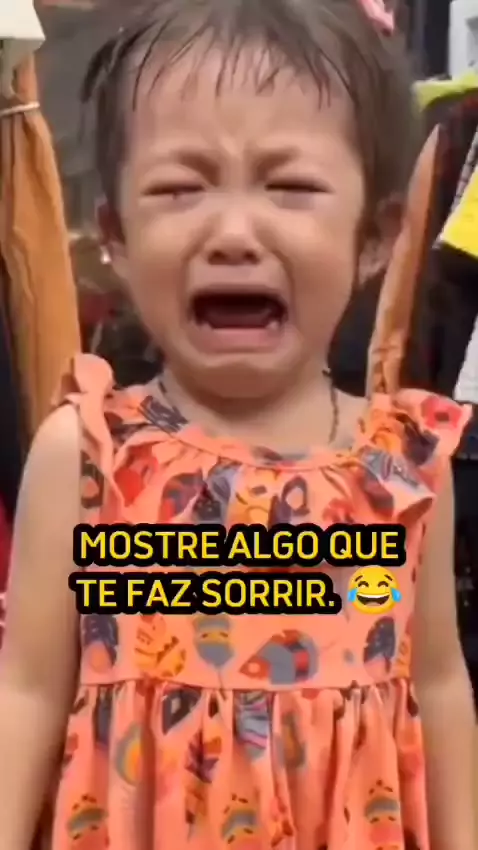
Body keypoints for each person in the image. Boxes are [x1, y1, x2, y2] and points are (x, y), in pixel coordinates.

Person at [0, 1, 475, 849]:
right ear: (114, 235)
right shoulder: (89, 459)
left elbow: (437, 683)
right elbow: (28, 690)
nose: (232, 232)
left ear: (375, 237)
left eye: (289, 187)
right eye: (180, 188)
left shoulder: (403, 474)